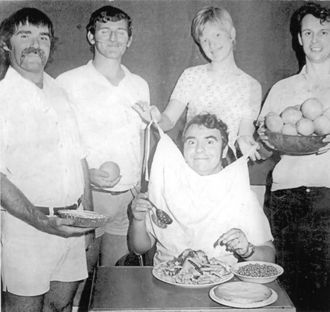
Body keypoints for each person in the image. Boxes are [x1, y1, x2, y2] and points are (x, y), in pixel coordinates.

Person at [0, 7, 94, 312]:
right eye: (24, 34)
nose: (35, 43)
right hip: (27, 229)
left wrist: (88, 224)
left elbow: (80, 160)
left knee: (61, 306)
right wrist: (42, 222)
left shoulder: (60, 92)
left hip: (71, 225)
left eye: (43, 36)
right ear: (6, 44)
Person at [56, 5, 150, 266]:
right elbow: (58, 143)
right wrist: (86, 173)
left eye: (120, 32)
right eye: (105, 30)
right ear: (91, 36)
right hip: (87, 196)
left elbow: (142, 140)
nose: (113, 38)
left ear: (129, 39)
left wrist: (141, 188)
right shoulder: (67, 82)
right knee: (77, 278)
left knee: (113, 280)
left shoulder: (139, 84)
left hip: (127, 200)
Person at [129, 113, 275, 266]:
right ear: (183, 150)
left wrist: (247, 250)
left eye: (210, 141)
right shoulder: (165, 187)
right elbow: (139, 247)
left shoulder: (240, 193)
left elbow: (269, 256)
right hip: (168, 278)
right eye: (191, 142)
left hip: (220, 282)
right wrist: (138, 220)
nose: (199, 149)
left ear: (224, 150)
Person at [258, 2, 330, 310]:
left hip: (328, 196)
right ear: (299, 39)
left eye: (325, 32)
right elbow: (263, 150)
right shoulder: (282, 89)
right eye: (309, 32)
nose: (316, 40)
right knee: (290, 291)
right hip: (287, 197)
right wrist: (262, 140)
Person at [134, 6, 262, 161]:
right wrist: (155, 119)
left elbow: (245, 133)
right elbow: (168, 120)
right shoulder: (191, 76)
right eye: (205, 40)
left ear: (232, 34)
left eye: (217, 35)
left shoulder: (251, 85)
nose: (212, 44)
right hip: (193, 161)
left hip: (227, 165)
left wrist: (245, 141)